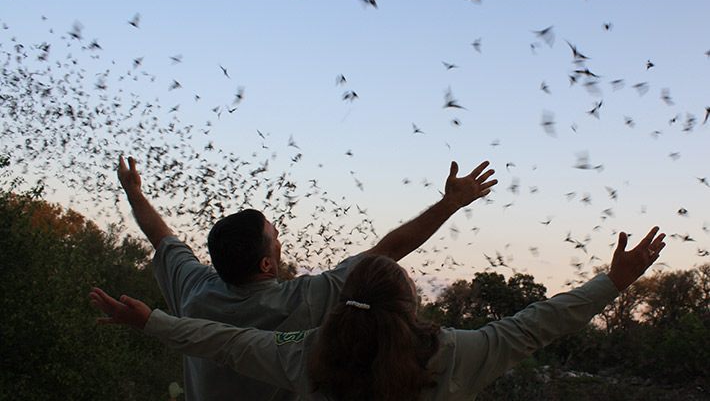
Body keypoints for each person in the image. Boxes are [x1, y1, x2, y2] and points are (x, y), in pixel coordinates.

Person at [91, 226, 666, 401]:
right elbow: (536, 323)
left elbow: (224, 342)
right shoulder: (451, 357)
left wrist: (152, 322)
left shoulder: (306, 356)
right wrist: (612, 282)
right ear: (410, 307)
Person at [115, 155, 497, 401]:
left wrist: (134, 193)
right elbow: (388, 252)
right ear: (267, 265)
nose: (281, 242)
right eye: (276, 238)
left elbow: (160, 235)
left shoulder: (192, 288)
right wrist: (450, 204)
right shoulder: (304, 300)